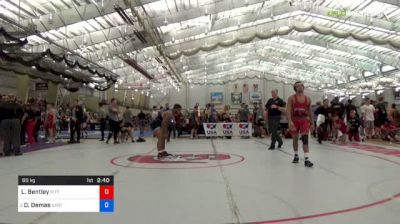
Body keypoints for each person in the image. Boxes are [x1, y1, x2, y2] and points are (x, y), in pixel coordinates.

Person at [286, 81, 314, 167]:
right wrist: (290, 121)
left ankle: (306, 159)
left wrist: (312, 123)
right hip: (294, 120)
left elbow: (310, 111)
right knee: (295, 138)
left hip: (304, 120)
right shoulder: (291, 98)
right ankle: (296, 155)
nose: (300, 87)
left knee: (305, 138)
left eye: (301, 85)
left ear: (303, 87)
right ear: (295, 88)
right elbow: (288, 110)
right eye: (297, 86)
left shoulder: (308, 99)